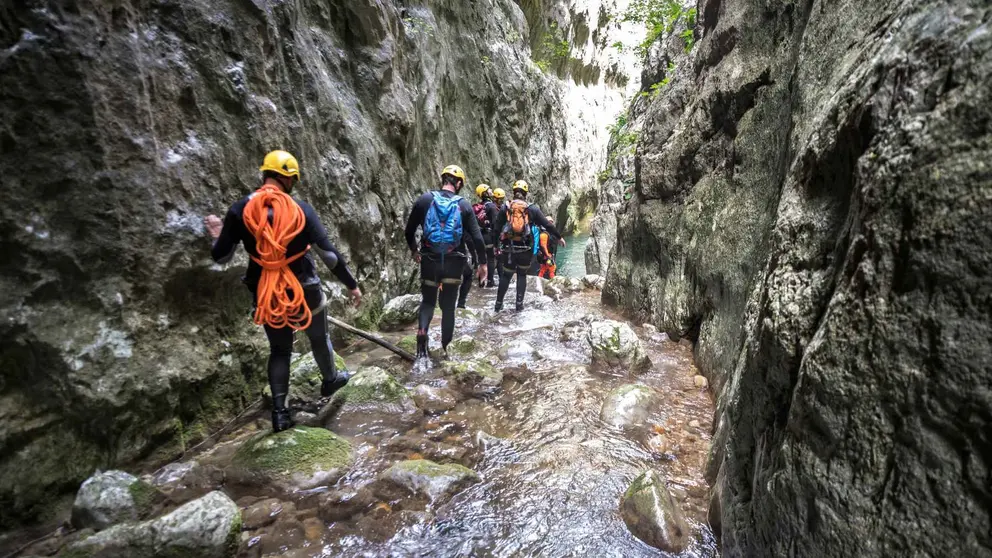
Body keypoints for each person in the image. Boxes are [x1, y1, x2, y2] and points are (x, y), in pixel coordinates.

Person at [204, 150, 362, 433]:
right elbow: (330, 256)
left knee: (280, 350)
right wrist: (351, 284)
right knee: (318, 337)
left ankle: (280, 413)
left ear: (265, 174)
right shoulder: (300, 209)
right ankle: (330, 379)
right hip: (304, 287)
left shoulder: (241, 209)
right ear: (289, 179)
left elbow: (222, 257)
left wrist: (216, 233)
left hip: (267, 291)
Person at [405, 165, 487, 358]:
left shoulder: (425, 200)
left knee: (427, 302)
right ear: (458, 183)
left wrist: (414, 251)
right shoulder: (464, 205)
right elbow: (478, 239)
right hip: (454, 263)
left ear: (443, 180)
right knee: (448, 307)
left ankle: (422, 332)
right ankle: (445, 349)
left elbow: (408, 231)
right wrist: (483, 265)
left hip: (429, 261)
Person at [492, 180, 564, 312]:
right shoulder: (532, 209)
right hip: (525, 248)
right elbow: (547, 225)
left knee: (507, 275)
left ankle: (498, 304)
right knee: (521, 275)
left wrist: (496, 246)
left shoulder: (506, 207)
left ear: (514, 192)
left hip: (509, 247)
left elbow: (496, 229)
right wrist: (559, 237)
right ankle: (519, 305)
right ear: (525, 193)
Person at [472, 184, 499, 288]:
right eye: (489, 190)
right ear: (485, 193)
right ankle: (490, 281)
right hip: (488, 236)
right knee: (491, 258)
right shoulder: (491, 206)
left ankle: (481, 281)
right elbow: (495, 224)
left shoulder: (478, 207)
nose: (491, 190)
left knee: (481, 258)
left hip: (479, 236)